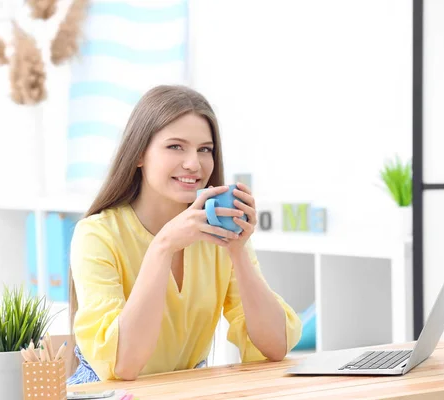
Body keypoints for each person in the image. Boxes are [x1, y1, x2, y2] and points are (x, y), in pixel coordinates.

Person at [67, 85, 302, 384]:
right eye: (176, 146)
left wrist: (238, 251)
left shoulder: (217, 232)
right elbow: (123, 366)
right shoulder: (97, 235)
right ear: (139, 154)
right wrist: (163, 246)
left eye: (205, 149)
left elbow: (274, 346)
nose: (194, 163)